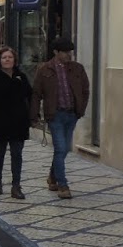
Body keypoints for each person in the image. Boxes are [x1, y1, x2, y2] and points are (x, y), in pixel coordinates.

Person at [31, 37, 90, 199]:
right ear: (56, 52)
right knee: (60, 148)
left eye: (70, 52)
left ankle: (52, 176)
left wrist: (80, 109)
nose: (68, 55)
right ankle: (63, 185)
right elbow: (36, 94)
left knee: (65, 149)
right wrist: (34, 115)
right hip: (55, 115)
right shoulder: (45, 70)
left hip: (72, 114)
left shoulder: (77, 68)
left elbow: (85, 90)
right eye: (65, 52)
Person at [0, 45, 33, 198]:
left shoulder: (21, 76)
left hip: (18, 121)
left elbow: (28, 94)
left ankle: (16, 186)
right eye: (4, 57)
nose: (7, 60)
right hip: (0, 121)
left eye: (10, 57)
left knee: (17, 154)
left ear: (15, 60)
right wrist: (14, 84)